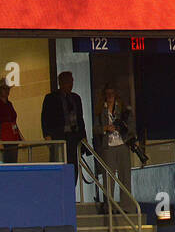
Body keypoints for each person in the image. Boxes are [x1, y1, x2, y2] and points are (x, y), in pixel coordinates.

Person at [41, 71, 87, 190]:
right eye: (68, 82)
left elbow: (80, 119)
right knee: (59, 164)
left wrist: (83, 137)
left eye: (71, 82)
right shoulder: (51, 98)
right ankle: (58, 191)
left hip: (74, 137)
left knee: (73, 166)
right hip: (59, 137)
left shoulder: (76, 98)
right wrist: (47, 135)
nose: (70, 85)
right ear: (61, 83)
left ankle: (71, 190)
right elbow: (45, 118)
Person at [95, 84, 133, 214]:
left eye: (112, 93)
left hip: (122, 144)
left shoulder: (122, 109)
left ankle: (126, 206)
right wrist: (105, 128)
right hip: (108, 146)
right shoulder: (100, 111)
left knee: (125, 176)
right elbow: (95, 129)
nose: (110, 96)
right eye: (108, 93)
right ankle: (108, 206)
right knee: (108, 177)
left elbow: (131, 125)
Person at [0, 81, 22, 164]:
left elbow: (14, 123)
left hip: (13, 139)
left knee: (13, 163)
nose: (7, 91)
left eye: (8, 89)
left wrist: (21, 138)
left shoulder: (9, 104)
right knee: (2, 163)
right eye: (4, 89)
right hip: (3, 139)